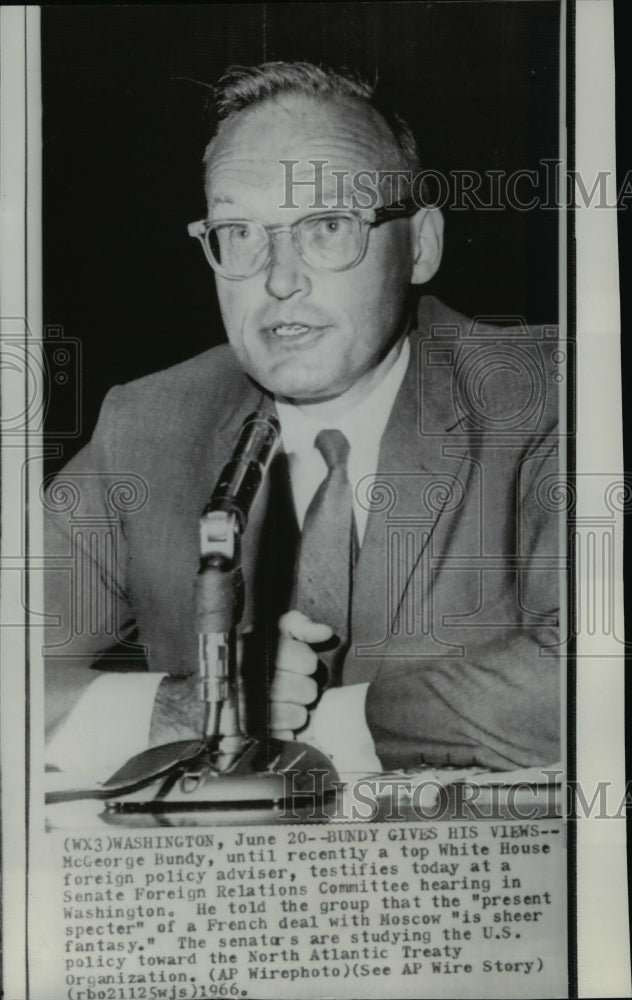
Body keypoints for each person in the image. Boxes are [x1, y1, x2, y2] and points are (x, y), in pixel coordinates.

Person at [44, 61, 561, 783]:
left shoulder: (546, 397)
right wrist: (187, 710)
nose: (279, 278)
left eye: (326, 226)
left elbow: (590, 674)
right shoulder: (147, 425)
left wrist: (327, 725)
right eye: (240, 232)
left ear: (420, 246)